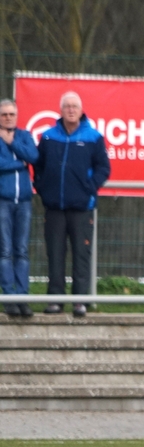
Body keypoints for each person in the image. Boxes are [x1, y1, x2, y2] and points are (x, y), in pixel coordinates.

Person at [33, 91, 110, 318]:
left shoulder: (93, 137)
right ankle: (55, 300)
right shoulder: (48, 137)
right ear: (61, 110)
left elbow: (103, 168)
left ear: (81, 110)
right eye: (67, 106)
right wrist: (43, 188)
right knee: (55, 254)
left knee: (81, 254)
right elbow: (38, 166)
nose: (70, 110)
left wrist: (89, 188)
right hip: (54, 208)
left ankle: (79, 301)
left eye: (74, 106)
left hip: (82, 208)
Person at [0, 99, 38, 317]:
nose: (8, 118)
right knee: (5, 251)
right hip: (3, 201)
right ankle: (9, 297)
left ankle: (23, 297)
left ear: (16, 115)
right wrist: (19, 164)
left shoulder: (24, 136)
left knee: (21, 250)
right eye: (4, 114)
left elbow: (33, 156)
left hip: (23, 201)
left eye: (11, 114)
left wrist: (13, 143)